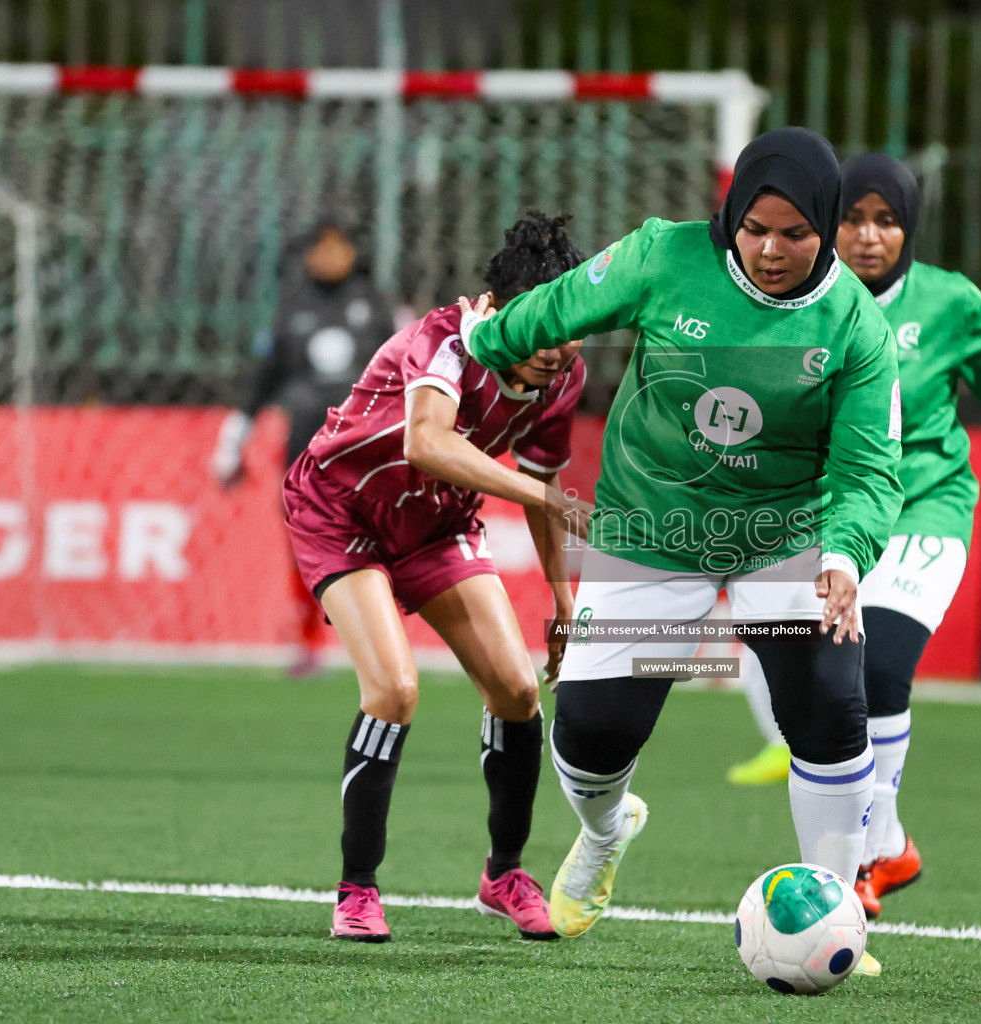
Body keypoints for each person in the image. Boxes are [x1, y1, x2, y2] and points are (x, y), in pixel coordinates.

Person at [457, 127, 902, 975]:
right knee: (593, 733)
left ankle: (839, 915)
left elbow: (868, 470)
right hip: (654, 531)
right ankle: (604, 831)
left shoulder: (856, 325)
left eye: (796, 234)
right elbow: (555, 311)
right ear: (731, 216)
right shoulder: (664, 255)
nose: (771, 250)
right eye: (754, 228)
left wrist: (843, 557)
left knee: (830, 709)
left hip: (785, 537)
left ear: (828, 228)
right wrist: (482, 340)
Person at [728, 152, 981, 921]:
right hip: (830, 519)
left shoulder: (949, 303)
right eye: (854, 218)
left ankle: (866, 857)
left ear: (911, 230)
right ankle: (891, 841)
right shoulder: (795, 300)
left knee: (878, 672)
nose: (869, 237)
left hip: (924, 511)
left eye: (889, 220)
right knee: (780, 678)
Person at [282, 212, 591, 943]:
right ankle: (356, 890)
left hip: (436, 524)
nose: (556, 347)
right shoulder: (446, 341)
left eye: (569, 325)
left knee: (517, 689)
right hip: (340, 513)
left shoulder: (564, 379)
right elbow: (428, 443)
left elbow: (545, 480)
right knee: (394, 690)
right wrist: (544, 496)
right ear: (504, 312)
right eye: (540, 327)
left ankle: (504, 873)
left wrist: (565, 603)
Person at [211, 218, 396, 674]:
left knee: (373, 542)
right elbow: (264, 378)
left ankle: (377, 639)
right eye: (321, 248)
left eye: (339, 247)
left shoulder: (374, 307)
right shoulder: (292, 308)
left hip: (364, 448)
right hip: (305, 446)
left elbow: (401, 372)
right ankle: (309, 639)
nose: (330, 256)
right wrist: (236, 434)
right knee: (306, 542)